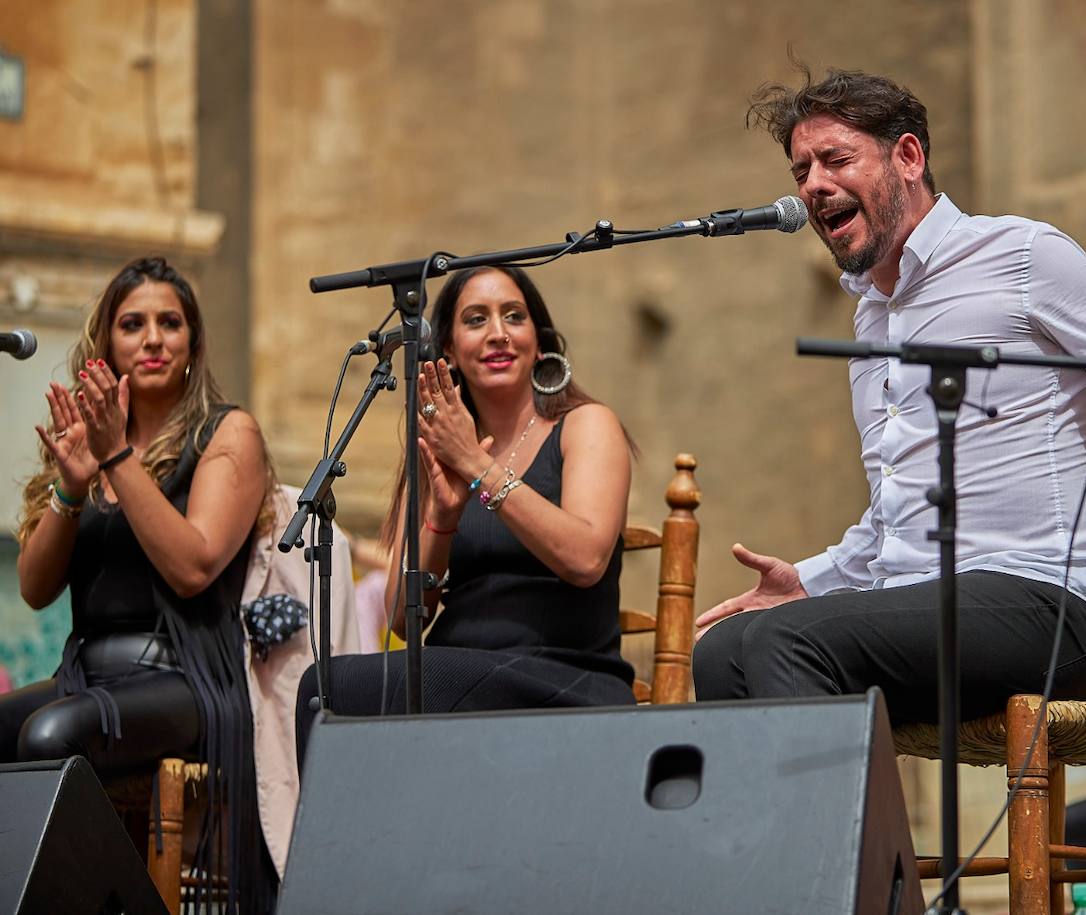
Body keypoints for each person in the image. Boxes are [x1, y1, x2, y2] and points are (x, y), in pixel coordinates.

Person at [693, 66, 1086, 727]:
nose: (813, 185)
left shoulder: (1023, 255)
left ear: (908, 157)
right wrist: (810, 579)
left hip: (1046, 608)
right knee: (722, 655)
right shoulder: (871, 319)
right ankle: (858, 832)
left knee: (782, 640)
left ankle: (840, 835)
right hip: (924, 613)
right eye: (801, 171)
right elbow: (895, 515)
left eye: (834, 159)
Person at [1, 257, 276, 912]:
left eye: (169, 323)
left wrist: (117, 456)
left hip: (189, 676)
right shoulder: (87, 442)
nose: (153, 338)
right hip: (87, 675)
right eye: (133, 324)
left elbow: (194, 565)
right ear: (107, 345)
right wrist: (71, 485)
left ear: (192, 343)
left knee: (47, 737)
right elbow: (37, 587)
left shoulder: (226, 433)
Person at [295, 265, 636, 758]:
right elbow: (398, 616)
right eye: (476, 320)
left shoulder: (585, 425)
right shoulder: (438, 447)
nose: (498, 333)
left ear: (539, 342)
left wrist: (477, 465)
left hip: (566, 676)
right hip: (460, 671)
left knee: (421, 681)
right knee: (320, 688)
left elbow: (585, 559)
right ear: (450, 350)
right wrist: (443, 518)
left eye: (513, 317)